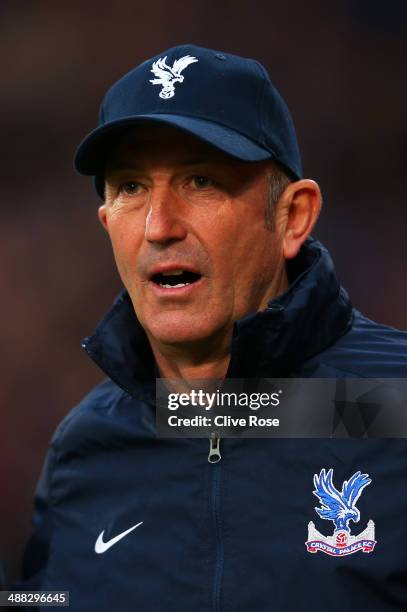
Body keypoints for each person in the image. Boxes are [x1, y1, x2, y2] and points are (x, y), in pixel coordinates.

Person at [19, 45, 407, 611]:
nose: (159, 226)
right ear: (106, 222)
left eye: (200, 180)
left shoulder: (395, 403)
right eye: (130, 187)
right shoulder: (84, 450)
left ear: (292, 216)